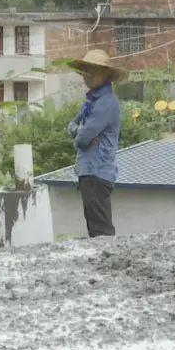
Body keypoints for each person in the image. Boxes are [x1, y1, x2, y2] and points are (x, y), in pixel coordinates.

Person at [67, 50, 124, 237]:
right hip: (89, 172)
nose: (88, 75)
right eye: (85, 70)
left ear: (106, 74)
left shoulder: (106, 103)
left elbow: (83, 140)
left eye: (94, 71)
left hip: (97, 172)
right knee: (94, 228)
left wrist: (81, 133)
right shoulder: (91, 101)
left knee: (101, 230)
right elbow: (72, 127)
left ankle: (110, 263)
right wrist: (79, 131)